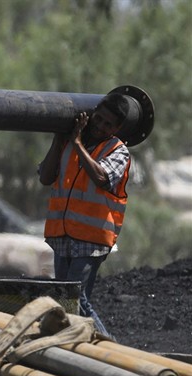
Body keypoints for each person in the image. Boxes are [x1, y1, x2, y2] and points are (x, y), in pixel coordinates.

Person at [38, 93, 131, 339]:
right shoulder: (68, 143)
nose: (100, 127)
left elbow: (102, 179)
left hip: (91, 238)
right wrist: (60, 141)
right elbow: (46, 177)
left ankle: (109, 347)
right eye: (98, 119)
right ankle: (80, 348)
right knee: (65, 302)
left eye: (107, 124)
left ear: (117, 128)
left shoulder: (118, 151)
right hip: (62, 234)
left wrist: (78, 144)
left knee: (76, 301)